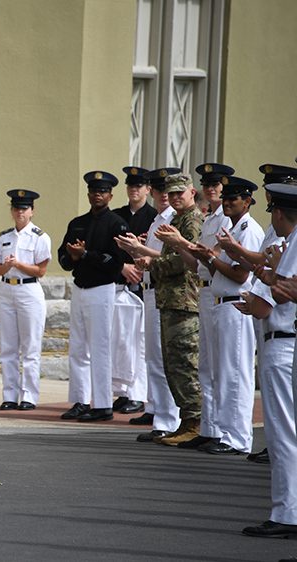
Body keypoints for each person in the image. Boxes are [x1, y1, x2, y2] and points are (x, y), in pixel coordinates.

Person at [187, 176, 262, 455]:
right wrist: (211, 257)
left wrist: (211, 258)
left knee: (235, 374)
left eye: (235, 198)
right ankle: (220, 431)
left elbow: (240, 275)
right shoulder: (231, 227)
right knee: (219, 371)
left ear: (248, 201)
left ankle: (238, 437)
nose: (228, 202)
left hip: (236, 304)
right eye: (226, 197)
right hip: (220, 302)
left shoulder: (248, 229)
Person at [239, 181, 297, 539]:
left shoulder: (289, 244)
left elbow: (270, 300)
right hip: (285, 341)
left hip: (283, 342)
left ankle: (287, 512)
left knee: (282, 434)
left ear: (277, 212)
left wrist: (269, 275)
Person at [136, 170, 204, 446]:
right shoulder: (178, 219)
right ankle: (186, 420)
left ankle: (195, 421)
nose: (175, 197)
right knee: (172, 363)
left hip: (184, 301)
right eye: (171, 193)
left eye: (180, 193)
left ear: (192, 193)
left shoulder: (192, 220)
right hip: (171, 299)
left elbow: (183, 262)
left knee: (184, 362)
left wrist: (151, 264)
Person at [57, 171, 129, 422]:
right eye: (93, 191)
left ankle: (102, 404)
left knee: (99, 348)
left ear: (110, 195)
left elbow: (115, 263)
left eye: (102, 191)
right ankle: (79, 400)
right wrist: (73, 257)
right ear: (88, 193)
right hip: (80, 288)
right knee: (77, 348)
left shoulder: (116, 224)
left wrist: (86, 255)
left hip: (102, 289)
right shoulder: (78, 223)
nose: (97, 195)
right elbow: (63, 257)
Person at [115, 173, 180, 441]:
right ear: (152, 191)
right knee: (153, 358)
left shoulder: (174, 220)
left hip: (166, 291)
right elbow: (153, 260)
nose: (165, 195)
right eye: (160, 189)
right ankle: (160, 416)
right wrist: (136, 252)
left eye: (171, 190)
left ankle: (168, 420)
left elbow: (173, 257)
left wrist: (140, 248)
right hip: (150, 289)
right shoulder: (157, 221)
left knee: (164, 359)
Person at [180, 163, 234, 449]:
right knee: (207, 368)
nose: (211, 189)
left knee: (226, 369)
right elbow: (196, 263)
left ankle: (229, 434)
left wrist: (198, 252)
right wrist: (180, 245)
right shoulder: (210, 218)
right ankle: (210, 428)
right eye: (207, 184)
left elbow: (217, 258)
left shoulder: (228, 220)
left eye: (217, 185)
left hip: (223, 292)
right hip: (206, 291)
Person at [0, 189, 51, 410]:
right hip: (7, 289)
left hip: (29, 291)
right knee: (8, 347)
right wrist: (8, 266)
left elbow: (40, 270)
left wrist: (18, 265)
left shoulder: (40, 237)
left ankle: (29, 396)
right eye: (16, 208)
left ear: (32, 211)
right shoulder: (4, 237)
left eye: (24, 209)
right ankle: (9, 395)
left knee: (30, 347)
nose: (20, 212)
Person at [110, 166, 157, 415]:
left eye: (139, 186)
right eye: (131, 186)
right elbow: (111, 251)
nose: (134, 190)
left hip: (143, 285)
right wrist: (122, 267)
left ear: (148, 189)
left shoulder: (154, 216)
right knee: (121, 342)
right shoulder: (117, 216)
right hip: (120, 284)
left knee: (140, 342)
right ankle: (124, 390)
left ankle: (139, 394)